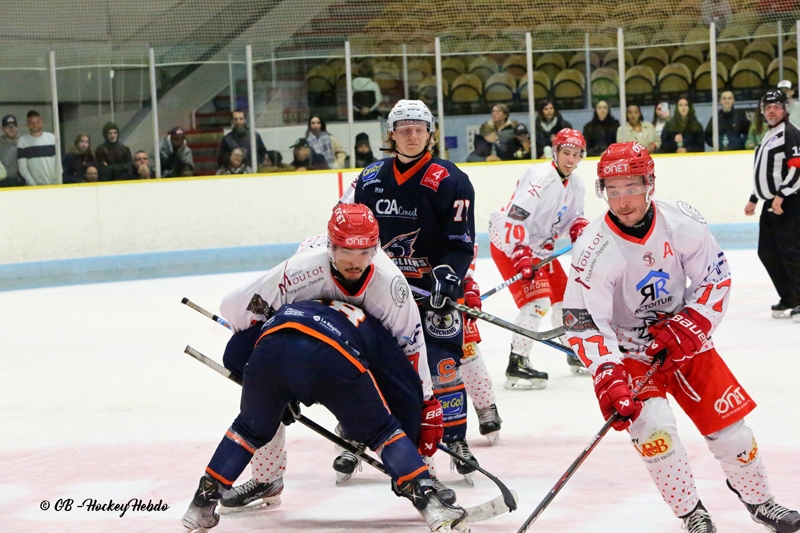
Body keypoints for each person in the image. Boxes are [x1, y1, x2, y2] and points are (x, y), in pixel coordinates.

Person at [564, 140, 800, 533]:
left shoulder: (682, 221)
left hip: (683, 338)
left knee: (733, 434)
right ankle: (693, 513)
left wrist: (692, 323)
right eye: (613, 189)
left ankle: (761, 501)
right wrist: (607, 373)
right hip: (631, 352)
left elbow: (715, 275)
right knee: (656, 436)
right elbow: (584, 319)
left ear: (650, 183)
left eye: (632, 187)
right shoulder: (593, 248)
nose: (623, 200)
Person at [215, 204, 456, 508]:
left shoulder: (390, 285)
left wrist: (425, 401)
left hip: (365, 338)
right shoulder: (300, 270)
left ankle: (421, 475)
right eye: (345, 251)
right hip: (304, 334)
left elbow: (410, 346)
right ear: (330, 247)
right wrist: (255, 367)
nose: (355, 263)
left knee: (407, 396)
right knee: (262, 377)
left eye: (365, 252)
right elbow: (236, 309)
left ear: (376, 248)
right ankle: (267, 478)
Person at [181, 301, 468, 533]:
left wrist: (278, 396)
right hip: (328, 359)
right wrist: (410, 441)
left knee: (246, 430)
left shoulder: (290, 304)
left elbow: (234, 354)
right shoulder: (371, 321)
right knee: (384, 432)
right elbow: (402, 385)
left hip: (269, 352)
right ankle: (432, 508)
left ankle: (199, 508)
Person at [340, 99, 480, 482]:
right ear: (392, 134)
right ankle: (354, 435)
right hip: (382, 293)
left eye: (419, 128)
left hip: (433, 294)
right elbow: (354, 237)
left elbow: (460, 243)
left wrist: (448, 277)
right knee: (364, 367)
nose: (412, 135)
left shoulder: (451, 180)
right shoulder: (370, 179)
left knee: (443, 367)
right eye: (404, 128)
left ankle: (455, 439)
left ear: (430, 133)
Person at [488, 128, 590, 389]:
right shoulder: (540, 176)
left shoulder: (576, 185)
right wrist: (520, 251)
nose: (570, 159)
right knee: (538, 303)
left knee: (567, 300)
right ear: (555, 152)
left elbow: (573, 217)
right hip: (511, 243)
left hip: (539, 248)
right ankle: (517, 362)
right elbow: (516, 215)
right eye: (565, 152)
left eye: (575, 154)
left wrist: (579, 227)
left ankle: (573, 351)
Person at [745, 89, 800, 322]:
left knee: (790, 251)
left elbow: (797, 168)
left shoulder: (790, 133)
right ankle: (790, 297)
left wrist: (781, 195)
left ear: (785, 108)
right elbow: (765, 172)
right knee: (767, 252)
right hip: (771, 202)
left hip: (788, 202)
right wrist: (754, 197)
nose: (771, 110)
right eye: (768, 107)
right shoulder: (769, 135)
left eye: (776, 106)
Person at [17, 110, 57, 186]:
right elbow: (22, 168)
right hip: (32, 187)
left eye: (37, 122)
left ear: (41, 122)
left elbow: (58, 164)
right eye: (32, 123)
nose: (35, 124)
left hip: (53, 185)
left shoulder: (52, 138)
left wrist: (56, 182)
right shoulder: (22, 141)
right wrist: (34, 186)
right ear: (27, 124)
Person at [0, 114, 25, 187]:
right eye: (8, 126)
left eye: (13, 126)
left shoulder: (23, 144)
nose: (11, 129)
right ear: (3, 128)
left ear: (17, 128)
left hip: (19, 183)